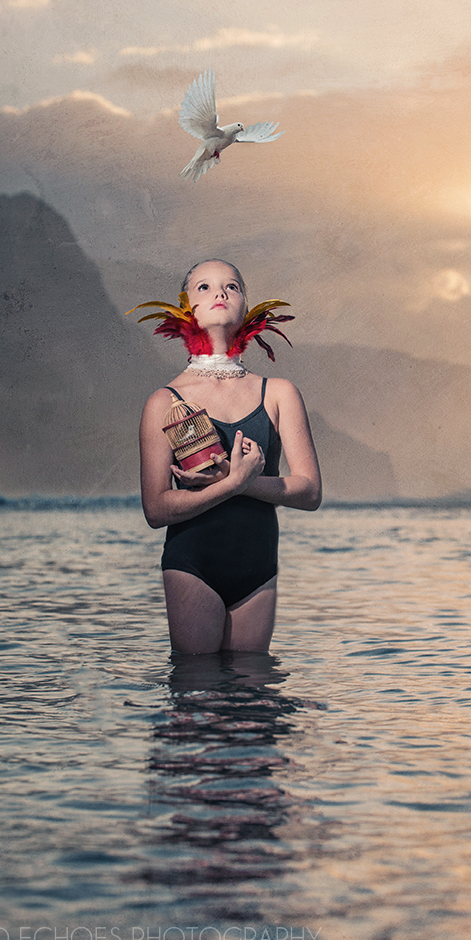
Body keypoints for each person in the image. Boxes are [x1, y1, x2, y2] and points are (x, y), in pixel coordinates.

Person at [136, 259, 321, 654]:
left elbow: (309, 492)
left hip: (257, 569)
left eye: (231, 287)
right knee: (195, 693)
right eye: (204, 287)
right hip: (192, 565)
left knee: (253, 701)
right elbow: (156, 509)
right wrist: (235, 483)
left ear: (247, 306)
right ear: (186, 307)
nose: (219, 293)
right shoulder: (163, 402)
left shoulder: (278, 393)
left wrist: (242, 483)